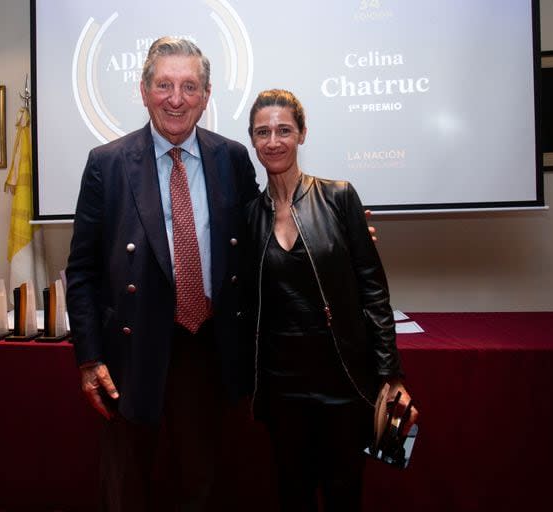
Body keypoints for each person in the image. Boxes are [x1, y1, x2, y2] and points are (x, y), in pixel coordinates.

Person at [65, 37, 260, 512]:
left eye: (189, 86)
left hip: (206, 346)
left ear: (207, 96)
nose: (176, 99)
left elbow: (262, 236)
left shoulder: (232, 158)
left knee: (203, 483)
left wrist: (332, 226)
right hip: (130, 352)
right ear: (144, 90)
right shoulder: (107, 164)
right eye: (165, 85)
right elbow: (83, 270)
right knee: (128, 486)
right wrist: (89, 359)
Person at [243, 89, 418, 512]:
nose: (273, 141)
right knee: (293, 494)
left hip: (342, 379)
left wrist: (390, 375)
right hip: (282, 386)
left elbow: (374, 291)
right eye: (263, 132)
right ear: (252, 139)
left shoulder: (339, 197)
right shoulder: (249, 215)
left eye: (284, 130)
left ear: (302, 134)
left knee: (343, 494)